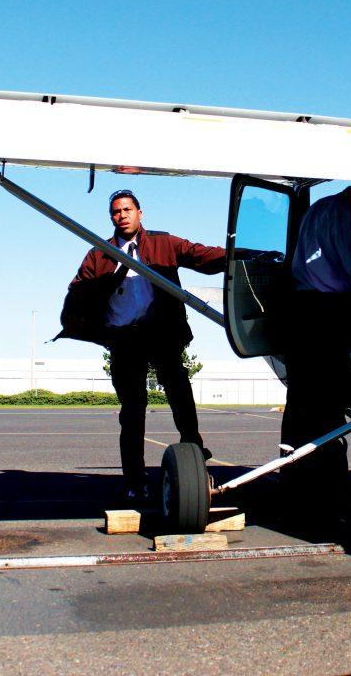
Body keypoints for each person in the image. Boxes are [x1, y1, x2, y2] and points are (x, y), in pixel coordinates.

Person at [57, 189, 226, 502]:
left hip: (160, 331)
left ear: (140, 213)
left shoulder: (163, 243)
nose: (122, 216)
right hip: (124, 338)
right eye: (116, 212)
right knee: (132, 411)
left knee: (179, 391)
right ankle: (135, 480)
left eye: (127, 210)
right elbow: (77, 290)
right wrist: (81, 318)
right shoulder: (100, 254)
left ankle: (194, 449)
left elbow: (201, 255)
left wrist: (241, 255)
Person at [280, 185, 351, 518]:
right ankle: (328, 491)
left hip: (298, 307)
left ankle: (292, 478)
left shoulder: (318, 209)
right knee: (328, 403)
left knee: (299, 401)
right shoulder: (346, 214)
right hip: (326, 309)